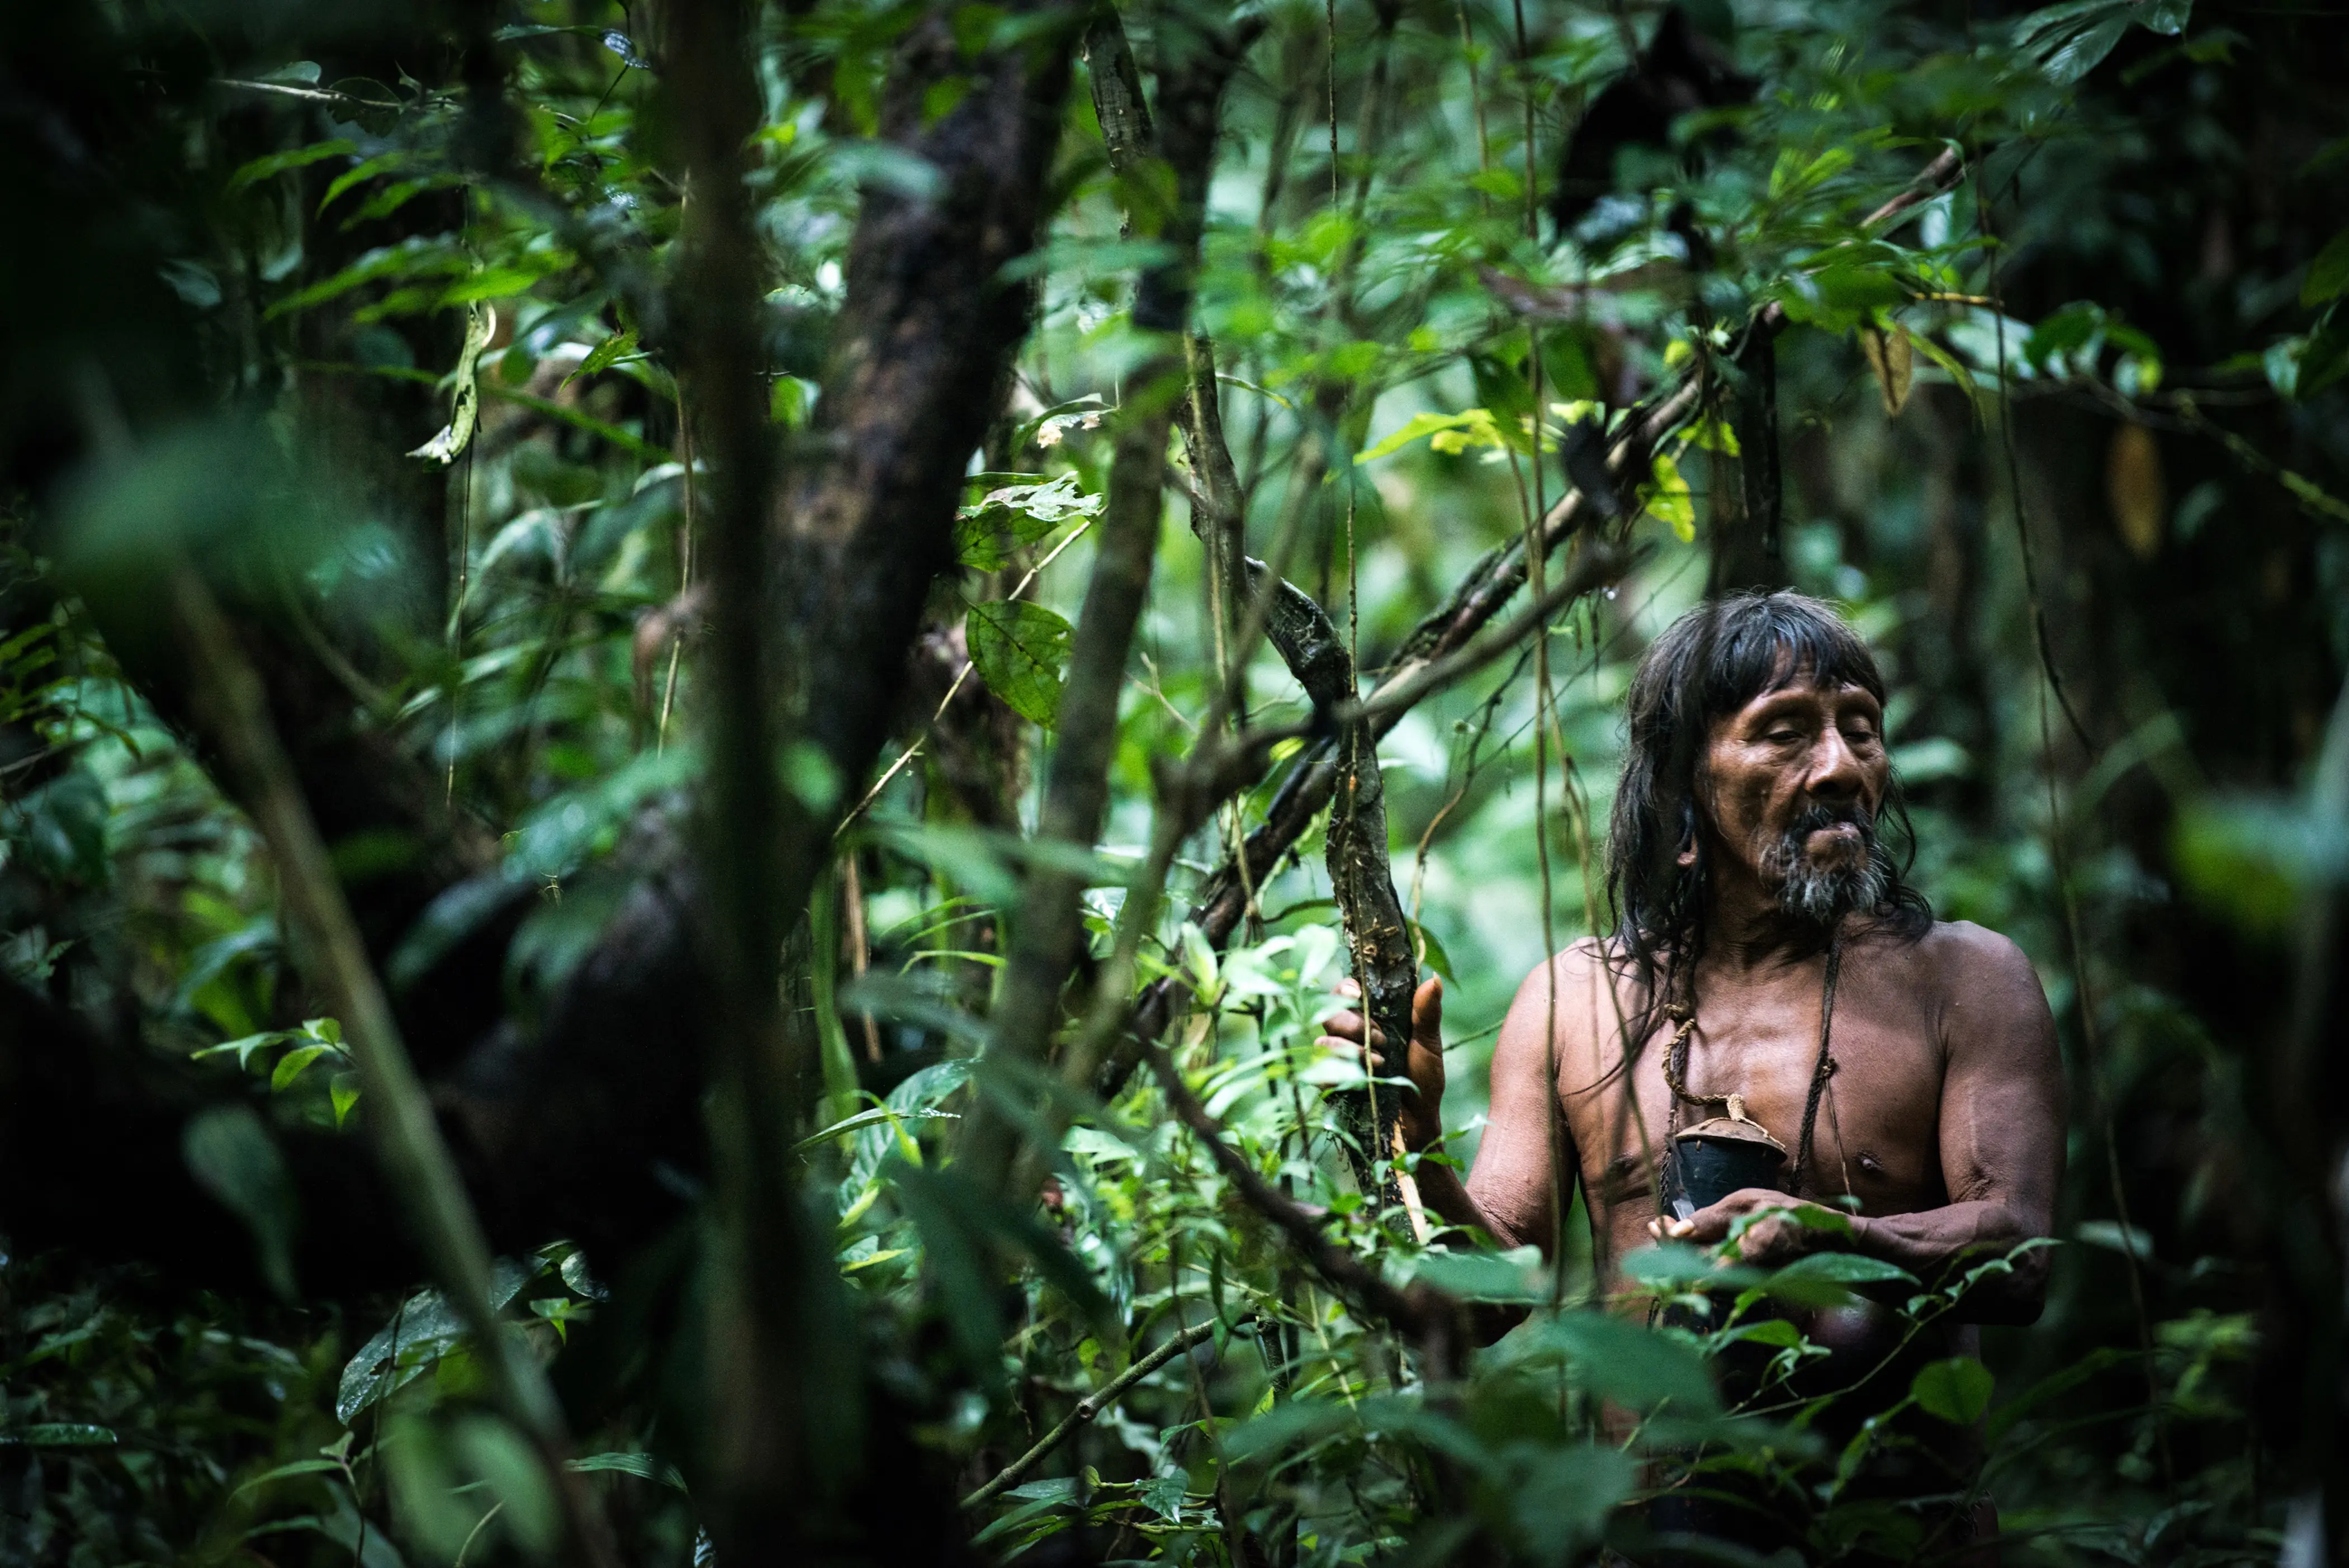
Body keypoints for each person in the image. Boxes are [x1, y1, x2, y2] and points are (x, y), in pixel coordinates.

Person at [1320, 590, 2065, 1562]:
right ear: (1681, 789)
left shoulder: (1966, 979)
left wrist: (1824, 1237)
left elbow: (2018, 1253)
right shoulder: (1574, 1001)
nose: (1840, 767)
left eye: (1860, 730)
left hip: (1896, 1535)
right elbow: (1480, 1304)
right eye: (1785, 734)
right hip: (1654, 1542)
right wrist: (1409, 1137)